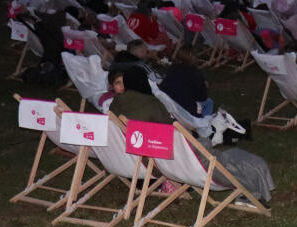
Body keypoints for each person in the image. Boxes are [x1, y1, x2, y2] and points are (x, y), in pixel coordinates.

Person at [108, 68, 275, 203]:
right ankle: (251, 192)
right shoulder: (151, 104)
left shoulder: (114, 107)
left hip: (143, 162)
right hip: (176, 164)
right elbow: (173, 135)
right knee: (244, 161)